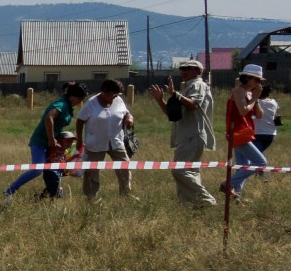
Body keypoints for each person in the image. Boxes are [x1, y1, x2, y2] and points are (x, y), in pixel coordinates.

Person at [149, 61, 219, 208]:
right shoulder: (188, 88)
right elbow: (172, 114)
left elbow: (194, 104)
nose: (183, 71)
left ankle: (206, 200)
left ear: (198, 71)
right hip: (186, 136)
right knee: (190, 172)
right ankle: (192, 204)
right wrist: (160, 99)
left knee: (179, 171)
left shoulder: (197, 85)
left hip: (192, 135)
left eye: (188, 68)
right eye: (182, 69)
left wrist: (175, 94)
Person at [7, 82, 85, 201]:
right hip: (41, 141)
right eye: (80, 99)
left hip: (54, 142)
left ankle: (49, 193)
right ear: (73, 96)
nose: (80, 102)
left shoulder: (68, 106)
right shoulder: (61, 104)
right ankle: (9, 191)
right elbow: (49, 118)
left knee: (56, 168)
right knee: (37, 170)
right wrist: (51, 139)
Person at [75, 79, 134, 198]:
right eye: (113, 95)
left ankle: (126, 195)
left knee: (124, 167)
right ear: (104, 92)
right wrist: (80, 140)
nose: (115, 97)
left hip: (116, 141)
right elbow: (80, 120)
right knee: (92, 172)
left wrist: (129, 119)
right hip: (95, 143)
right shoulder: (91, 104)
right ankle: (91, 198)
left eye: (117, 95)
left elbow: (126, 113)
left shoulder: (118, 99)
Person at [228, 64, 270, 200]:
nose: (258, 84)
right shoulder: (238, 90)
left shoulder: (251, 93)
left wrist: (255, 98)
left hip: (245, 131)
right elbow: (243, 111)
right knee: (260, 162)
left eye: (260, 81)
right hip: (237, 132)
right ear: (247, 78)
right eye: (256, 80)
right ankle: (229, 184)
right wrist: (254, 98)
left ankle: (236, 196)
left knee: (243, 165)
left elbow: (259, 115)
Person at [255, 90, 280, 156]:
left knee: (254, 157)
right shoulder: (274, 102)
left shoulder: (255, 102)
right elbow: (276, 114)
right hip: (270, 134)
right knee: (257, 154)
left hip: (257, 133)